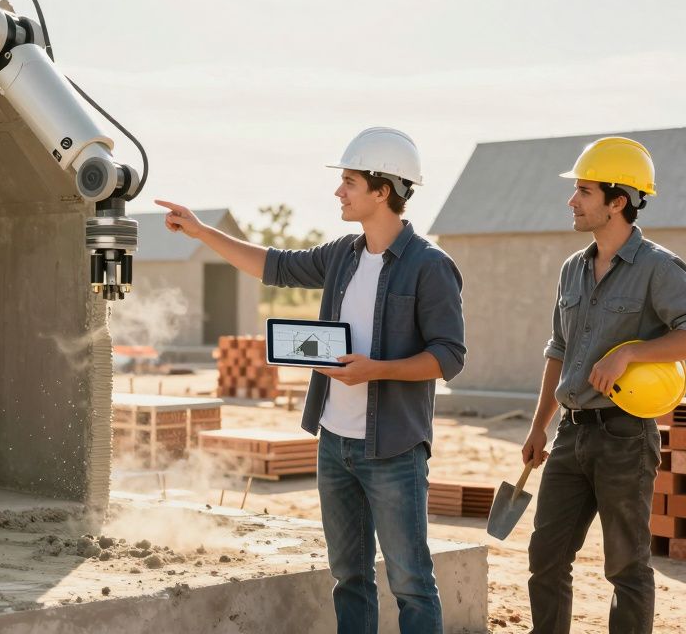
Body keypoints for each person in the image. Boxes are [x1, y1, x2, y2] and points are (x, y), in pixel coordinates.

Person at [157, 127, 465, 633]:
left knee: (411, 582)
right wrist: (200, 232)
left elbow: (449, 356)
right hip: (334, 443)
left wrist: (377, 369)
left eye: (348, 182)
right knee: (348, 576)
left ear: (382, 189)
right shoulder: (342, 254)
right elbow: (272, 265)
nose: (338, 192)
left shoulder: (430, 266)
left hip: (394, 449)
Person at [522, 136, 686, 634]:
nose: (572, 200)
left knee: (625, 568)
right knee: (545, 559)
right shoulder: (573, 269)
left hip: (625, 440)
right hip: (570, 435)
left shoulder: (658, 266)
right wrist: (537, 429)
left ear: (618, 201)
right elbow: (558, 351)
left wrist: (632, 351)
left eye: (584, 191)